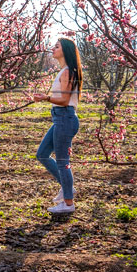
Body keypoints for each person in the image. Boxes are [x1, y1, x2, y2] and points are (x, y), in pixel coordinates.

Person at [32, 37, 82, 214]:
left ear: (65, 50)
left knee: (62, 162)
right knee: (42, 154)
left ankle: (68, 204)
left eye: (57, 46)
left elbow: (64, 100)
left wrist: (45, 98)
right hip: (60, 118)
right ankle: (67, 187)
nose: (53, 48)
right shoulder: (64, 71)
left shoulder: (68, 72)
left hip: (65, 118)